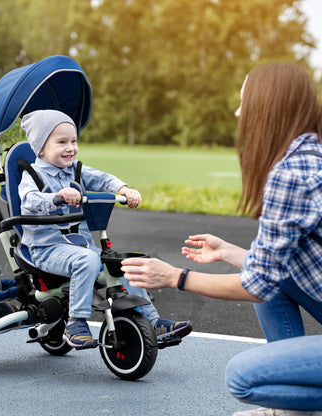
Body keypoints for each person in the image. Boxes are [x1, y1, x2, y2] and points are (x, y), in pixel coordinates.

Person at [121, 62, 322, 414]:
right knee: (275, 278)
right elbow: (273, 269)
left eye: (245, 102)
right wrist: (230, 252)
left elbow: (257, 285)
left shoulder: (290, 174)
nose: (237, 112)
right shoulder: (310, 156)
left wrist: (175, 278)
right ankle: (292, 411)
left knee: (243, 377)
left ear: (268, 109)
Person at [18, 109, 192, 349]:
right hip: (46, 248)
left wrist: (123, 189)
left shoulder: (75, 170)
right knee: (87, 260)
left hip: (81, 247)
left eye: (73, 141)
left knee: (123, 265)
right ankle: (76, 322)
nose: (70, 147)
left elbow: (103, 179)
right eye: (61, 142)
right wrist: (56, 197)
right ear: (40, 148)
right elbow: (28, 200)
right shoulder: (33, 175)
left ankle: (154, 321)